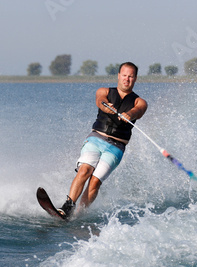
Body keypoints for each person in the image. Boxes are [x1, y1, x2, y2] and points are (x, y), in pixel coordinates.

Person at [58, 62, 148, 219]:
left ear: (135, 79)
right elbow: (100, 100)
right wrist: (106, 106)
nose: (127, 79)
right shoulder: (104, 91)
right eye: (124, 75)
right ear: (119, 76)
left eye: (131, 76)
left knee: (95, 182)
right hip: (96, 139)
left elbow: (138, 111)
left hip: (116, 147)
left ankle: (79, 215)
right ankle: (68, 207)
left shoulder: (139, 102)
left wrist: (130, 114)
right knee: (85, 169)